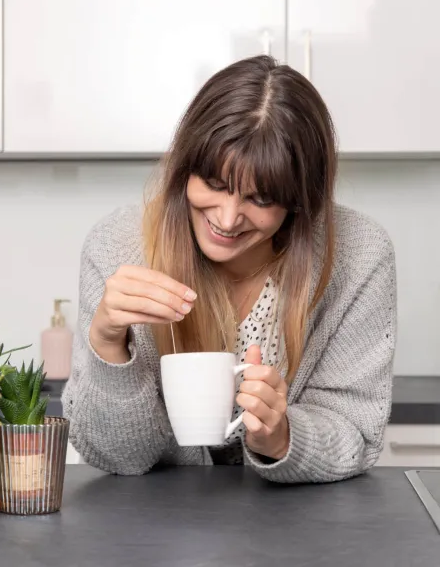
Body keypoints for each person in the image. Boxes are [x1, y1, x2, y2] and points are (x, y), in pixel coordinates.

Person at [62, 55, 397, 483]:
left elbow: (355, 431)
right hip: (153, 534)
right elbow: (119, 457)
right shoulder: (117, 247)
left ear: (300, 202)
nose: (227, 217)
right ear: (185, 167)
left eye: (260, 200)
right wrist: (108, 343)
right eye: (215, 185)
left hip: (301, 531)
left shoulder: (360, 256)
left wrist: (283, 438)